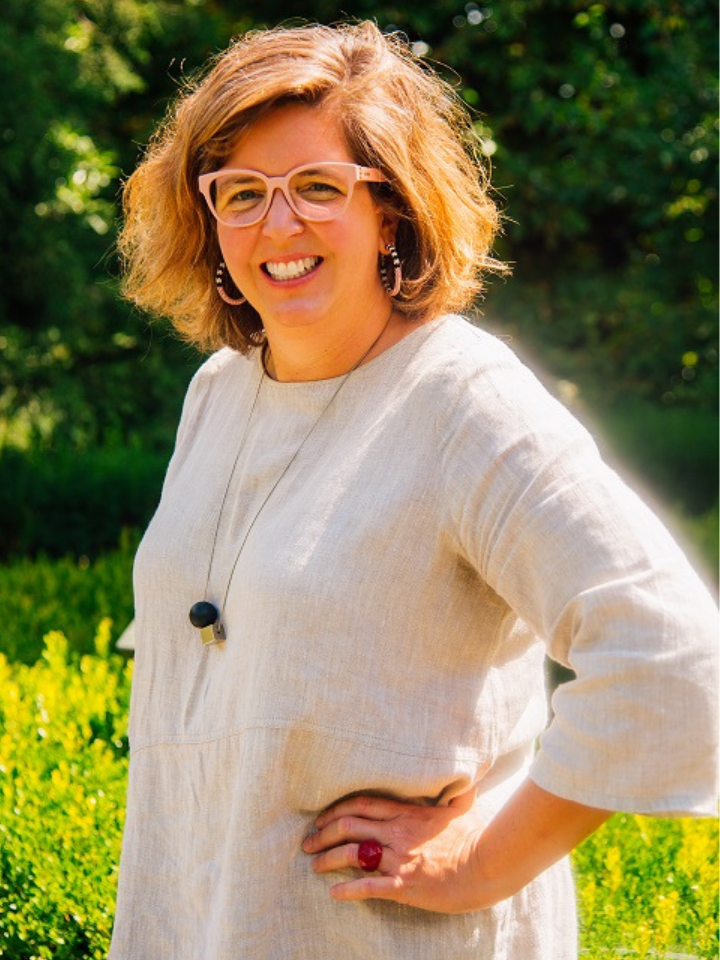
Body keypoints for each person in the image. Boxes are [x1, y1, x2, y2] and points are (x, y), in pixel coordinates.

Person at [109, 20, 718, 960]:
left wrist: (484, 862)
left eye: (318, 186)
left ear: (391, 207)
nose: (278, 225)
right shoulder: (218, 394)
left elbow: (672, 656)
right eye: (241, 192)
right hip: (205, 925)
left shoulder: (463, 401)